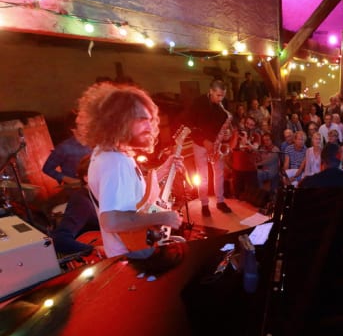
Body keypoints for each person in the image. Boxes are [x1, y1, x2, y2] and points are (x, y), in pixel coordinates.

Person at [75, 82, 183, 258]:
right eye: (141, 120)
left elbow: (134, 194)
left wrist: (164, 169)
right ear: (118, 121)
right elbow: (111, 221)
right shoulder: (114, 162)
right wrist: (163, 217)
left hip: (138, 248)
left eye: (150, 120)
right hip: (134, 258)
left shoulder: (113, 151)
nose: (149, 127)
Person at [184, 79, 232, 216]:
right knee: (203, 175)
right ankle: (204, 204)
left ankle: (220, 201)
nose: (220, 99)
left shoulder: (224, 104)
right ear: (210, 91)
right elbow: (189, 124)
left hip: (217, 144)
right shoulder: (198, 102)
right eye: (218, 95)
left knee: (219, 173)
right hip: (200, 143)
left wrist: (227, 132)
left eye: (223, 95)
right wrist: (204, 140)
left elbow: (226, 122)